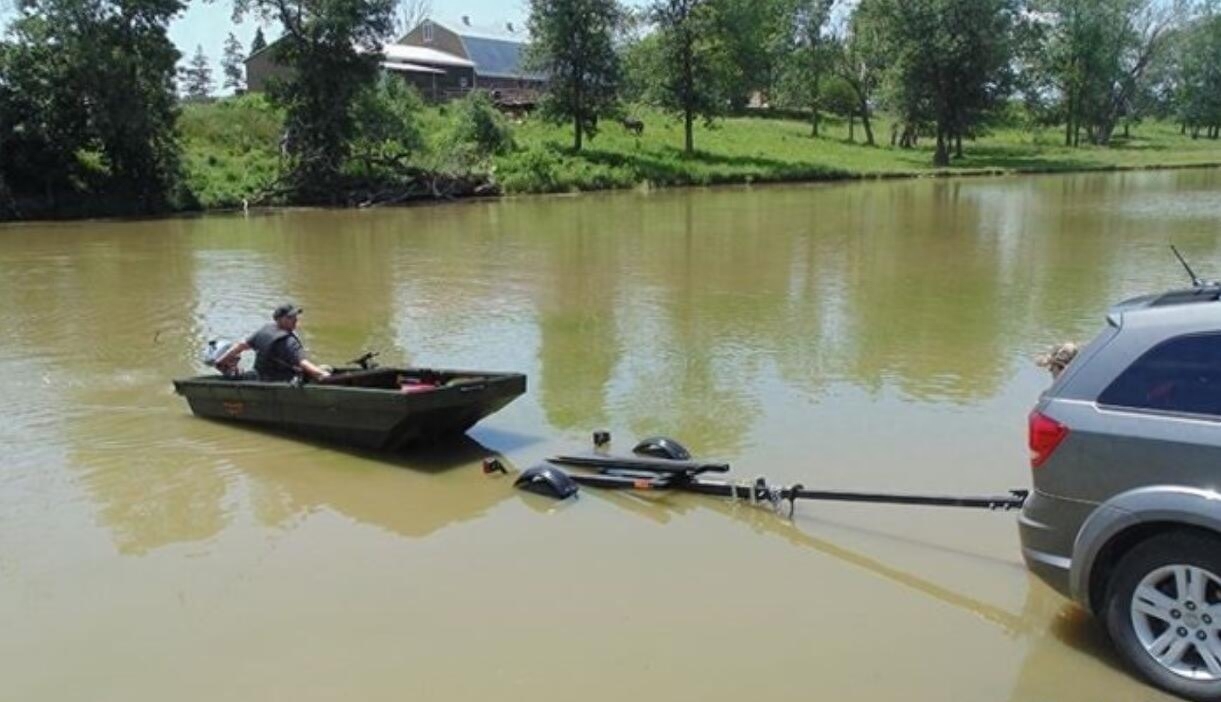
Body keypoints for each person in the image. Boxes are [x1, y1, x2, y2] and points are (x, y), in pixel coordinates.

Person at [213, 303, 331, 382]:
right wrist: (322, 374)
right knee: (326, 370)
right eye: (290, 317)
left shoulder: (264, 330)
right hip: (280, 381)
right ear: (279, 320)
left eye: (295, 316)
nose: (295, 320)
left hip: (260, 377)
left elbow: (240, 346)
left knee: (326, 368)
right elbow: (304, 364)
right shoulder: (288, 341)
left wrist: (220, 361)